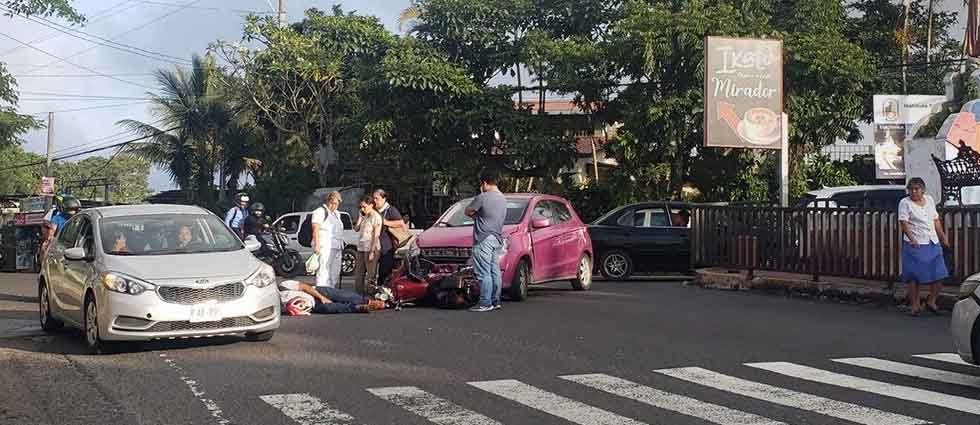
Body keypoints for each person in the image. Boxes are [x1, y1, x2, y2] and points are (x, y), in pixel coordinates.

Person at [899, 177, 950, 317]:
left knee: (939, 273)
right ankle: (915, 305)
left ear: (922, 190)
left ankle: (931, 301)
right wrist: (912, 239)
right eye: (911, 189)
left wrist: (943, 237)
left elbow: (935, 220)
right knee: (914, 275)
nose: (914, 192)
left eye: (916, 189)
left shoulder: (929, 200)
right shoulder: (905, 203)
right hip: (915, 243)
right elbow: (904, 223)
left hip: (932, 241)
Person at [465, 169, 507, 312]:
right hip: (497, 237)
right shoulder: (502, 198)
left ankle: (485, 302)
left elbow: (468, 211)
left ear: (484, 183)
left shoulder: (482, 197)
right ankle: (496, 301)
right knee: (494, 270)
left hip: (483, 238)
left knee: (483, 272)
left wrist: (477, 216)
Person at [278, 280, 384, 314]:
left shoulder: (283, 285)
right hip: (312, 305)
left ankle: (369, 301)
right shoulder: (276, 303)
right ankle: (358, 308)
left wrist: (321, 297)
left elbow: (305, 287)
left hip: (317, 292)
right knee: (329, 308)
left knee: (344, 296)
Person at [373, 189, 406, 287]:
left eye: (377, 198)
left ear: (384, 198)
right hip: (374, 245)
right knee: (374, 272)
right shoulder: (374, 210)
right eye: (373, 198)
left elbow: (400, 223)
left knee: (384, 271)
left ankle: (384, 292)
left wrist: (385, 222)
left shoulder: (390, 210)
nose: (374, 201)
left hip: (386, 246)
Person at [312, 192, 344, 288]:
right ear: (327, 201)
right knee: (323, 271)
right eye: (332, 203)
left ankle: (331, 291)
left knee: (335, 272)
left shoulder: (337, 214)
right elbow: (315, 229)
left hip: (337, 246)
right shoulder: (320, 211)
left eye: (336, 204)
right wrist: (317, 245)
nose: (334, 206)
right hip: (325, 245)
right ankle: (322, 291)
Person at [352, 196, 383, 295]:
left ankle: (370, 293)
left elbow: (376, 235)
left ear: (371, 205)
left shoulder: (376, 217)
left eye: (364, 207)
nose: (362, 209)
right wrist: (360, 218)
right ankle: (359, 292)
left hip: (371, 247)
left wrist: (372, 251)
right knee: (359, 272)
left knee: (370, 273)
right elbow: (356, 229)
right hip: (361, 247)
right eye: (361, 207)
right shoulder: (364, 216)